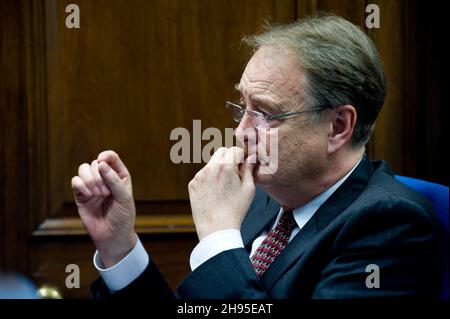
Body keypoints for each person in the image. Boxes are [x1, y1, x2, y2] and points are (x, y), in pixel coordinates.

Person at [71, 14, 444, 298]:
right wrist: (119, 248)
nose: (241, 132)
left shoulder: (390, 225)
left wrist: (218, 238)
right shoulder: (262, 200)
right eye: (243, 106)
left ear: (338, 126)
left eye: (266, 113)